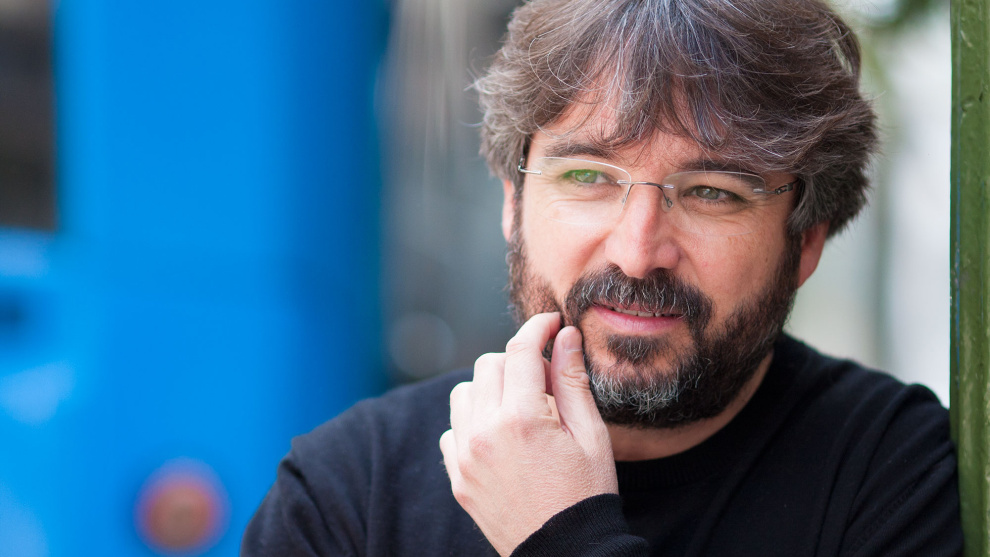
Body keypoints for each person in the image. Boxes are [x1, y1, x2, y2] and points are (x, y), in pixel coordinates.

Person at [241, 0, 962, 555]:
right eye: (588, 176)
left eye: (711, 191)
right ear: (513, 202)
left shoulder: (890, 472)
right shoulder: (348, 494)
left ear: (806, 240)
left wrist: (560, 536)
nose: (637, 252)